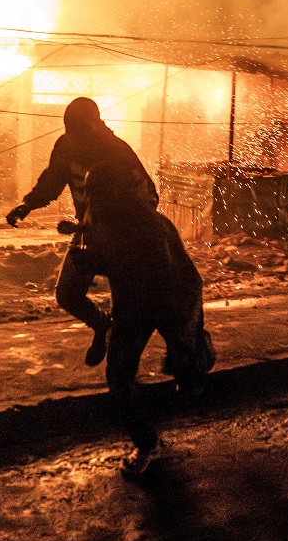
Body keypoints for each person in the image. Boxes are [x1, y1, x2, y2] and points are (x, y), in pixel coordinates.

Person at [73, 161, 215, 479]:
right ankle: (147, 443)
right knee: (120, 377)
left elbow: (143, 269)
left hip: (172, 297)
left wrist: (96, 262)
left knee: (181, 364)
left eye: (96, 193)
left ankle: (196, 359)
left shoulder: (144, 224)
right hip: (139, 302)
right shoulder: (108, 217)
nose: (91, 200)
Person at [5, 97, 158, 367]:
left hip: (123, 236)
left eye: (79, 131)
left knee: (127, 303)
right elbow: (52, 179)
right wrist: (28, 205)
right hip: (88, 232)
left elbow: (148, 193)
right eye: (69, 131)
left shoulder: (117, 152)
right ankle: (102, 325)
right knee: (67, 294)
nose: (73, 138)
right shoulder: (66, 147)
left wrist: (134, 227)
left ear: (96, 125)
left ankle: (123, 361)